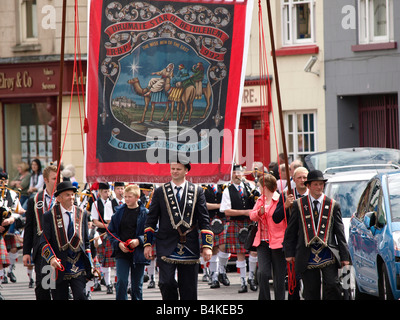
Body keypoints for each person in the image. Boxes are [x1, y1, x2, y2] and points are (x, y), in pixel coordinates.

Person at [143, 155, 213, 300]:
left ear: (186, 170)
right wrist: (148, 244)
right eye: (172, 168)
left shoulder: (197, 191)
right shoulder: (160, 191)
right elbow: (151, 220)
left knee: (189, 288)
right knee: (166, 282)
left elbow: (204, 220)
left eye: (178, 169)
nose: (174, 171)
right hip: (165, 242)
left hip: (190, 244)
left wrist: (207, 246)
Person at [283, 170, 350, 300]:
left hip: (328, 251)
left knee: (332, 285)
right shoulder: (299, 204)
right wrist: (289, 253)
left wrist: (344, 256)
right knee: (311, 290)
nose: (319, 187)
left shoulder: (333, 205)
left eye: (321, 184)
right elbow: (291, 231)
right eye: (316, 184)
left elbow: (340, 233)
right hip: (306, 253)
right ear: (308, 186)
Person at [40, 181, 95, 300]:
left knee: (81, 296)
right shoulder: (49, 215)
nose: (71, 197)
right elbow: (43, 242)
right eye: (67, 195)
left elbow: (86, 242)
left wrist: (90, 264)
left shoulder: (82, 213)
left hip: (78, 264)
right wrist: (52, 259)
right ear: (59, 198)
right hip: (58, 266)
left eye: (72, 194)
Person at [219, 164, 259, 293]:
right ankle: (242, 281)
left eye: (239, 173)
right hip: (236, 224)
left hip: (250, 224)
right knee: (240, 254)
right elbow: (226, 212)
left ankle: (251, 278)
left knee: (254, 252)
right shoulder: (227, 190)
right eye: (235, 173)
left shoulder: (251, 187)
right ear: (231, 175)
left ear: (243, 174)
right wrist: (245, 212)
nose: (237, 175)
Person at [108, 184, 149, 300]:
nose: (126, 199)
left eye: (129, 197)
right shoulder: (119, 213)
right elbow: (111, 232)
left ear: (137, 197)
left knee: (137, 286)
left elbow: (153, 232)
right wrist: (118, 243)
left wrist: (139, 240)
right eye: (125, 196)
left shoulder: (145, 213)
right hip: (122, 252)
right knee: (121, 282)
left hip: (139, 253)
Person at [249, 174, 286, 300]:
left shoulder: (280, 199)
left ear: (265, 186)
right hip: (262, 242)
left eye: (260, 185)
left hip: (278, 241)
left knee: (279, 277)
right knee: (263, 273)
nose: (258, 188)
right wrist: (259, 212)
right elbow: (252, 216)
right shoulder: (260, 200)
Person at [23, 165, 57, 300]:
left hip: (60, 248)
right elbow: (29, 227)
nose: (57, 181)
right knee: (44, 285)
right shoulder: (35, 200)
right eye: (54, 178)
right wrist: (26, 251)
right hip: (43, 249)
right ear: (46, 180)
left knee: (58, 287)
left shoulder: (64, 198)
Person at [90, 182, 115, 294]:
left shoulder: (112, 203)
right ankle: (97, 282)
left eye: (108, 191)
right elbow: (95, 221)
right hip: (99, 234)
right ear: (99, 192)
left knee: (108, 261)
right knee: (99, 259)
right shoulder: (95, 204)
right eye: (105, 191)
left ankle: (109, 284)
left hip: (110, 234)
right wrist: (108, 227)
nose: (107, 193)